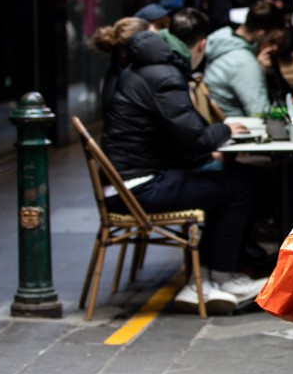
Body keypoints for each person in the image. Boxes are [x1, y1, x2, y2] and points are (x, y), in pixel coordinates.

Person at [91, 17, 269, 314]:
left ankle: (206, 279)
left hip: (130, 182)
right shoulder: (165, 76)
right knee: (240, 186)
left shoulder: (146, 70)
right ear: (202, 45)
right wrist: (225, 130)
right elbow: (196, 139)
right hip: (139, 188)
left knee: (236, 180)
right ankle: (219, 279)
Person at [203, 0, 284, 117]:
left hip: (222, 122)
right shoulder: (244, 63)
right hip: (240, 126)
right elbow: (259, 113)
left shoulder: (221, 40)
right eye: (271, 38)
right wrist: (258, 72)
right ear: (261, 33)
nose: (273, 45)